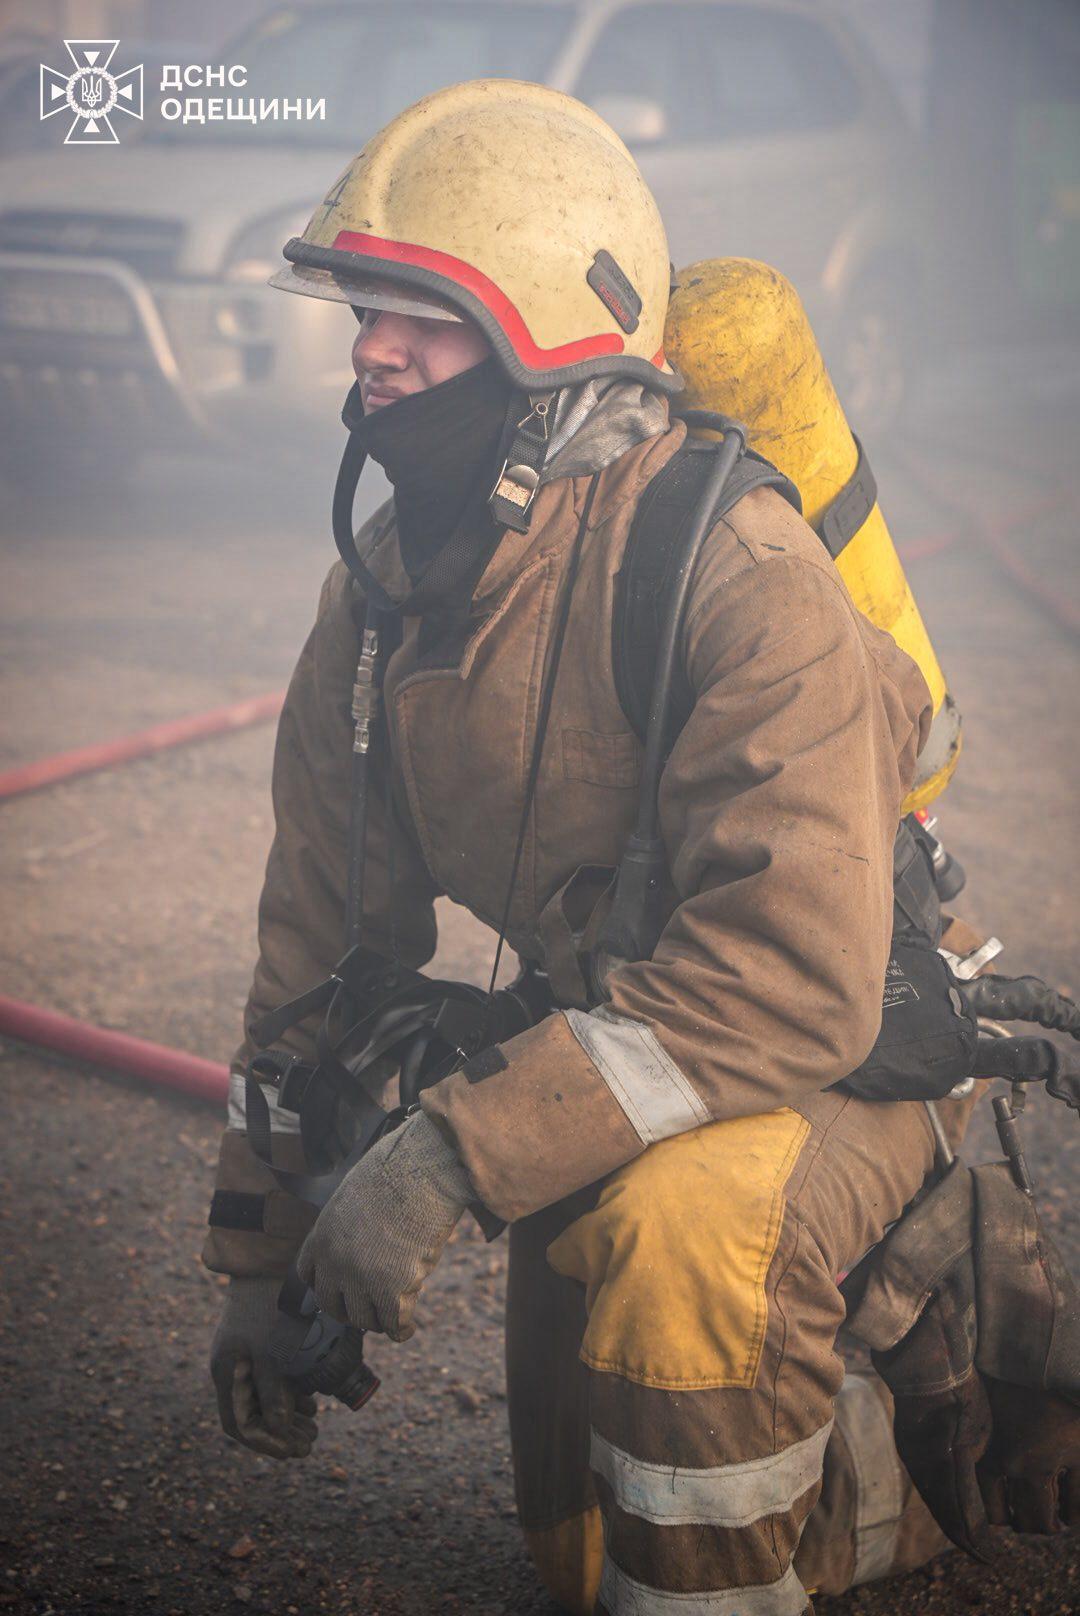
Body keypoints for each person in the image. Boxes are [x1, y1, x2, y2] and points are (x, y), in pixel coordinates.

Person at [205, 80, 981, 1614]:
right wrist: (258, 1251)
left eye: (422, 319)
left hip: (842, 1050)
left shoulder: (734, 571)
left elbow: (796, 981)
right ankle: (831, 1495)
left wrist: (452, 1151)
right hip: (626, 1039)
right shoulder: (382, 602)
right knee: (577, 1553)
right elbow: (312, 946)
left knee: (685, 1248)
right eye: (368, 310)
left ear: (551, 352)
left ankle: (824, 1508)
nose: (372, 350)